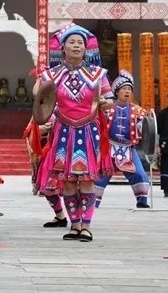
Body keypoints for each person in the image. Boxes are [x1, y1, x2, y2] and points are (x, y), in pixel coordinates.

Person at [33, 24, 114, 242]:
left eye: (80, 43)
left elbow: (110, 99)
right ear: (63, 47)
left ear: (86, 49)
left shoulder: (98, 74)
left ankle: (86, 226)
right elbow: (42, 101)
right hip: (63, 131)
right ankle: (74, 224)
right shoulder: (51, 75)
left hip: (89, 131)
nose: (76, 46)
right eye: (72, 42)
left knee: (87, 180)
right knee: (68, 181)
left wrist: (106, 104)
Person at [94, 70, 151, 209]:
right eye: (124, 89)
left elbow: (147, 128)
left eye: (129, 89)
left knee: (140, 174)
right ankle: (92, 203)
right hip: (109, 148)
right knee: (100, 176)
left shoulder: (137, 111)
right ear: (117, 91)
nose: (127, 92)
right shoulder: (107, 108)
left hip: (128, 148)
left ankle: (142, 202)